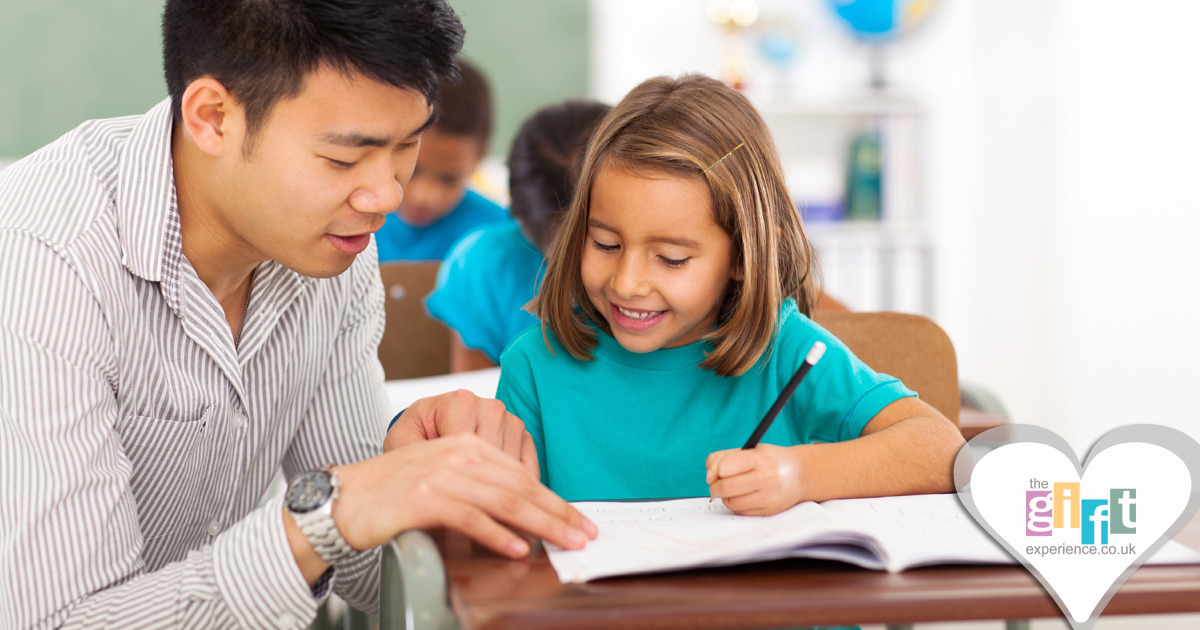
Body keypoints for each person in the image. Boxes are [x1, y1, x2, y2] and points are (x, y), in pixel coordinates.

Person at [0, 2, 595, 628]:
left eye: (408, 144)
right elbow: (61, 621)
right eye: (342, 159)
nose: (386, 197)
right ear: (213, 118)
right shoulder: (39, 260)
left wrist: (413, 468)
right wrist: (329, 516)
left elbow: (368, 572)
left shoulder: (327, 248)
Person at [495, 74, 964, 512]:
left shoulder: (786, 351)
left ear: (743, 255)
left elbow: (942, 450)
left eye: (672, 258)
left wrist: (800, 475)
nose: (626, 283)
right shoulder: (534, 367)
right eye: (605, 244)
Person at [426, 100, 611, 371]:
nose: (627, 282)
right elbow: (476, 396)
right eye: (603, 245)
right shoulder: (484, 265)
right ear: (523, 223)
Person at [374, 59, 508, 261]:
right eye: (413, 169)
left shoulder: (500, 235)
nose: (424, 197)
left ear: (480, 157)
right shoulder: (348, 217)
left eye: (449, 179)